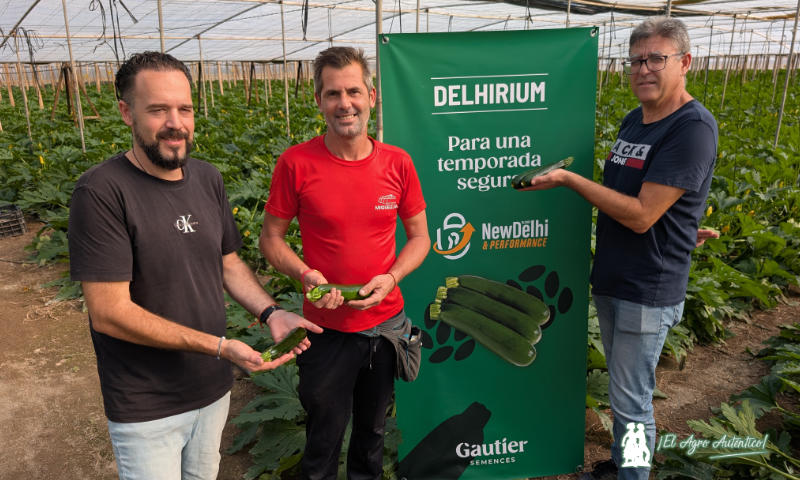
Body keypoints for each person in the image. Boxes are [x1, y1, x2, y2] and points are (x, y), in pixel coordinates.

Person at [68, 51, 321, 480]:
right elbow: (109, 313)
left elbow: (228, 264)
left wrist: (271, 312)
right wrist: (220, 347)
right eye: (158, 110)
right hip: (146, 403)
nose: (175, 122)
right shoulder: (101, 192)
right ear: (126, 113)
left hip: (211, 389)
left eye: (184, 109)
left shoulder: (207, 178)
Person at [519, 17, 718, 480]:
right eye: (636, 61)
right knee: (624, 393)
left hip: (645, 289)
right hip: (615, 277)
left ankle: (633, 474)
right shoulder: (638, 118)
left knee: (632, 400)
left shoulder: (691, 128)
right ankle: (622, 464)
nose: (643, 69)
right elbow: (659, 203)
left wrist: (568, 179)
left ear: (685, 62)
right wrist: (685, 230)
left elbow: (642, 213)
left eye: (656, 59)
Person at [259, 46, 430, 480]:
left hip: (386, 328)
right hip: (325, 330)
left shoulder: (398, 163)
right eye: (333, 93)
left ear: (372, 96)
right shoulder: (295, 163)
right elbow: (270, 240)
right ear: (319, 100)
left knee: (372, 437)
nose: (344, 103)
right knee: (322, 440)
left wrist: (392, 278)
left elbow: (420, 239)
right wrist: (304, 273)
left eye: (354, 91)